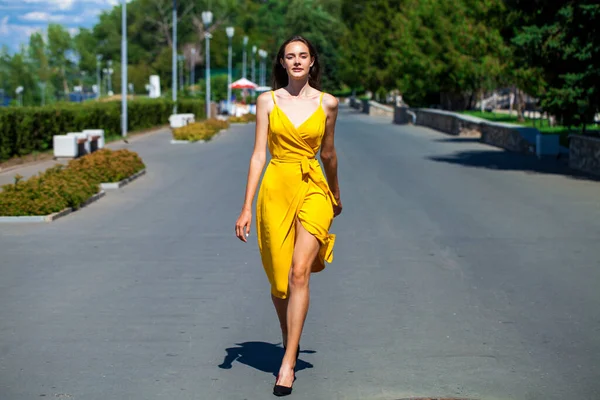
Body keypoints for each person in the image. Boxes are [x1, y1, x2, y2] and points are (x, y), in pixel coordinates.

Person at [234, 35, 342, 396]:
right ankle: (288, 336)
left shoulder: (328, 104)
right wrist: (246, 206)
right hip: (276, 188)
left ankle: (288, 362)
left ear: (313, 62)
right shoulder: (267, 101)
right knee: (280, 281)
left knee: (299, 272)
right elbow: (257, 157)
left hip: (313, 187)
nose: (297, 61)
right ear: (282, 63)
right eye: (290, 56)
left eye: (303, 56)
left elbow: (328, 154)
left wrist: (335, 193)